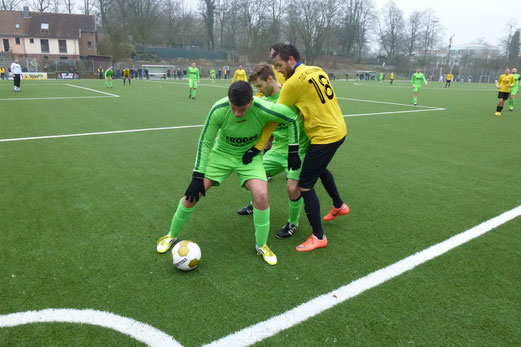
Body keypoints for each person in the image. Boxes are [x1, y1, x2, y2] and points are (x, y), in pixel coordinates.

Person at [156, 81, 302, 265]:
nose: (237, 113)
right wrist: (197, 175)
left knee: (261, 194)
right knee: (192, 195)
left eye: (242, 109)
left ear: (251, 101)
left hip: (249, 158)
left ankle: (261, 245)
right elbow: (205, 142)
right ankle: (171, 235)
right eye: (234, 108)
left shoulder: (264, 107)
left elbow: (292, 118)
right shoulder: (219, 108)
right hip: (221, 155)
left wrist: (294, 149)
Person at [249, 44, 349, 252]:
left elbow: (277, 117)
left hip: (324, 137)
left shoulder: (292, 84)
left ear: (292, 60)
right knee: (319, 170)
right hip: (338, 128)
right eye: (275, 66)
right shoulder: (317, 70)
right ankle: (339, 205)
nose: (278, 70)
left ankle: (318, 236)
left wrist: (258, 145)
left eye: (279, 64)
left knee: (303, 186)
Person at [236, 63, 310, 239]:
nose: (259, 90)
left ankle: (293, 223)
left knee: (292, 188)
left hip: (297, 151)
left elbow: (311, 106)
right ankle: (255, 204)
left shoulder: (292, 93)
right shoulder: (264, 101)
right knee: (252, 175)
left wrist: (306, 112)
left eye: (260, 86)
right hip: (277, 150)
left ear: (270, 79)